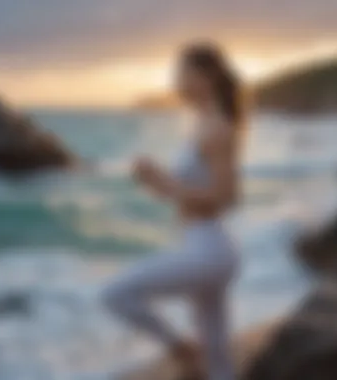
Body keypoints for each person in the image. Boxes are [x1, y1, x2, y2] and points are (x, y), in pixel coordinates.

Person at [104, 42, 247, 380]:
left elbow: (227, 197)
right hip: (202, 245)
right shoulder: (201, 123)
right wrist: (155, 182)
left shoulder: (217, 128)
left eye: (180, 74)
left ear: (206, 75)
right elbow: (190, 194)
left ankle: (181, 348)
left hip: (209, 250)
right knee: (218, 360)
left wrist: (166, 183)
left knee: (116, 294)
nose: (175, 83)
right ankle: (191, 353)